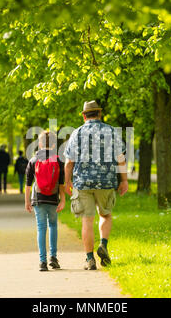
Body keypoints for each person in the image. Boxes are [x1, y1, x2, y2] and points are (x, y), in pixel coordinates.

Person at [64, 100, 128, 270]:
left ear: (84, 115)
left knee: (87, 220)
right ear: (99, 114)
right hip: (106, 182)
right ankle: (104, 245)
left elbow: (69, 162)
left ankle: (90, 259)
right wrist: (124, 180)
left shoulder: (76, 133)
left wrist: (67, 182)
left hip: (83, 183)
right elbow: (121, 159)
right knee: (105, 215)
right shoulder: (111, 131)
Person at [25, 131, 65, 271]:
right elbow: (61, 184)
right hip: (53, 199)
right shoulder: (58, 160)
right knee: (53, 226)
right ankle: (53, 257)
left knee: (41, 228)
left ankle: (42, 262)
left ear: (40, 143)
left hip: (38, 199)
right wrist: (63, 200)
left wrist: (27, 201)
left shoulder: (33, 160)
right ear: (54, 144)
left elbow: (28, 184)